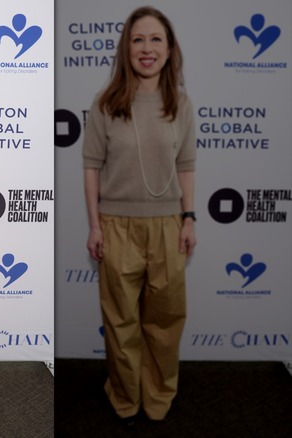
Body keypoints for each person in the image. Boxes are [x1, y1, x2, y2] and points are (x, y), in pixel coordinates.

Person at [82, 6, 196, 427]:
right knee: (121, 321)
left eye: (156, 40)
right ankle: (126, 396)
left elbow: (186, 165)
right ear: (126, 48)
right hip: (116, 226)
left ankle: (160, 394)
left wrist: (189, 217)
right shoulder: (106, 104)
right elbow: (91, 166)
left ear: (169, 51)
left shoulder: (180, 104)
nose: (147, 48)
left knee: (165, 321)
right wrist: (94, 224)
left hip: (168, 227)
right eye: (138, 39)